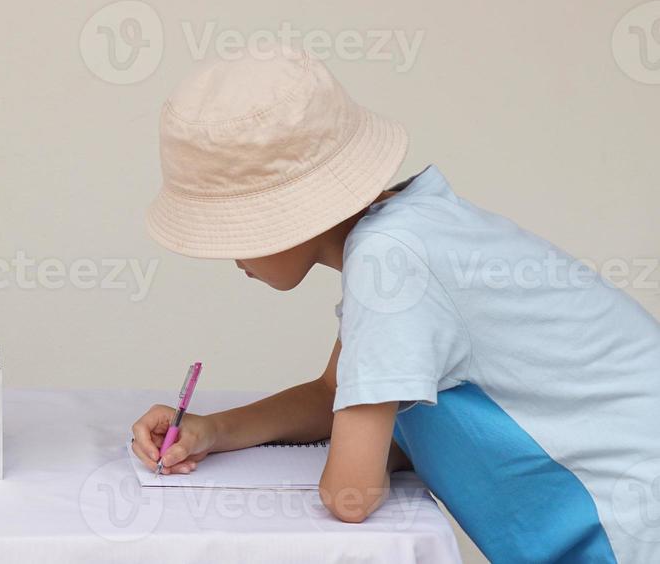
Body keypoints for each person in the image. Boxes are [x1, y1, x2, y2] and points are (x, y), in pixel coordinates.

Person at [129, 51, 660, 563]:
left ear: (291, 213)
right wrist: (212, 431)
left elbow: (351, 497)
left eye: (231, 230)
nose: (228, 256)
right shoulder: (409, 228)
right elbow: (332, 396)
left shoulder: (392, 260)